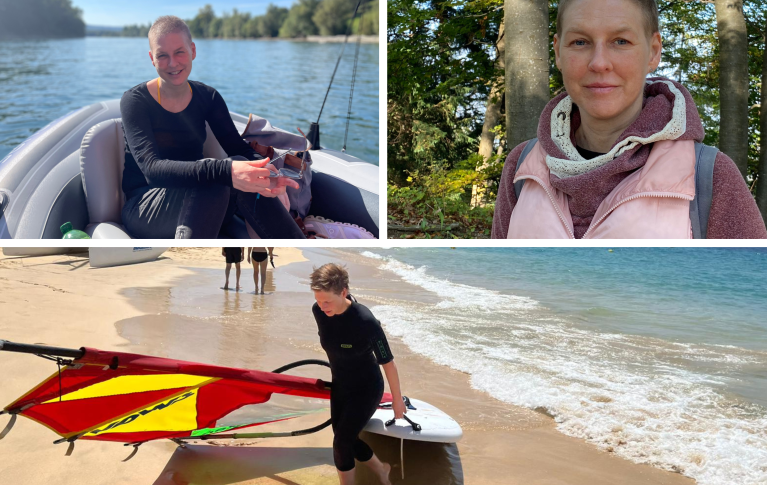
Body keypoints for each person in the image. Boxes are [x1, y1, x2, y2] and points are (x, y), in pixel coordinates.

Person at [492, 0, 767, 239]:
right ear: (558, 51)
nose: (599, 63)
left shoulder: (709, 177)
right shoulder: (522, 166)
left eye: (620, 41)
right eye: (580, 42)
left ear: (653, 51)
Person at [120, 15, 306, 239]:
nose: (172, 63)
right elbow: (152, 171)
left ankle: (301, 254)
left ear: (193, 51)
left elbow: (238, 148)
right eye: (162, 56)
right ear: (152, 58)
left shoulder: (208, 97)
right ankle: (191, 266)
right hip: (146, 206)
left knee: (235, 169)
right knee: (218, 176)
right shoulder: (135, 101)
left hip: (204, 200)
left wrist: (269, 174)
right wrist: (225, 171)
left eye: (179, 52)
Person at [310, 264, 403, 485]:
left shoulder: (366, 321)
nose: (322, 307)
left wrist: (398, 401)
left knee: (342, 442)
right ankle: (382, 469)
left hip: (367, 387)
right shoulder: (318, 311)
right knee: (345, 440)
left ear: (344, 292)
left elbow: (388, 362)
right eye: (319, 300)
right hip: (341, 385)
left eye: (327, 301)